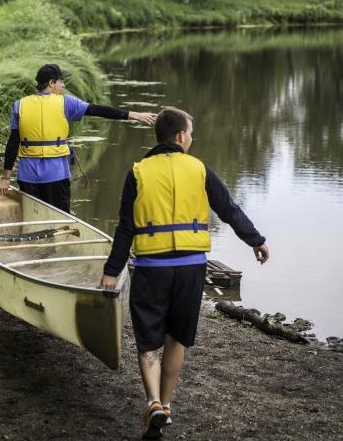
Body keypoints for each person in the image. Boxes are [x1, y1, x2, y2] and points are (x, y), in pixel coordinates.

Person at [99, 107, 269, 439]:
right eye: (190, 132)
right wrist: (256, 240)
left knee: (148, 341)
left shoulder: (138, 172)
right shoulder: (199, 169)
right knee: (176, 338)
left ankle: (154, 403)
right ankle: (166, 404)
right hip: (191, 267)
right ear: (180, 136)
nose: (192, 138)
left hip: (152, 268)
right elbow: (229, 209)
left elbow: (125, 228)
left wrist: (112, 270)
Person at [0, 63, 156, 213]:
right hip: (56, 175)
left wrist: (6, 178)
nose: (63, 85)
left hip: (28, 176)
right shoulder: (65, 102)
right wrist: (133, 115)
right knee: (60, 221)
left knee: (32, 218)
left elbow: (13, 143)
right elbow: (97, 110)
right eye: (61, 81)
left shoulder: (20, 105)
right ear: (51, 83)